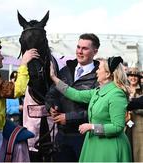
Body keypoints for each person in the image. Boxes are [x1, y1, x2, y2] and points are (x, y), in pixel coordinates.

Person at [49, 56, 132, 162]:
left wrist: (92, 127)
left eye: (99, 69)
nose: (96, 71)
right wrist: (54, 78)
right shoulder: (97, 91)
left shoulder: (116, 94)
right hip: (95, 144)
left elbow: (118, 127)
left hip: (109, 148)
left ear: (107, 74)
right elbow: (75, 94)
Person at [45, 33, 100, 161]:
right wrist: (51, 106)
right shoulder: (65, 70)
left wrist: (68, 118)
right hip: (61, 137)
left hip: (85, 138)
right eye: (78, 47)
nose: (79, 52)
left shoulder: (100, 77)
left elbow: (97, 110)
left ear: (95, 51)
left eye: (85, 48)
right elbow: (51, 94)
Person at [126, 67, 143, 162]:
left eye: (135, 76)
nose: (133, 78)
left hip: (139, 126)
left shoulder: (142, 91)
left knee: (139, 151)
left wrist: (135, 109)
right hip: (125, 124)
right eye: (131, 75)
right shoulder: (124, 89)